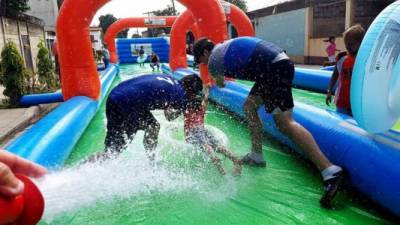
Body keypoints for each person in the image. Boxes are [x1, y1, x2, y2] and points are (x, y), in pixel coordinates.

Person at [194, 37, 343, 208]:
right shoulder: (224, 46)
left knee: (285, 123)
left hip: (274, 69)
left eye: (200, 60)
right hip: (276, 65)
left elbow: (220, 84)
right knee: (249, 107)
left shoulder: (213, 60)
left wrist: (212, 81)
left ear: (206, 52)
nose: (202, 64)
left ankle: (330, 170)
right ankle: (256, 155)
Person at [89, 74, 203, 161]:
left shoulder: (171, 80)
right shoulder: (181, 94)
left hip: (116, 96)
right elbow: (169, 116)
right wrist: (184, 108)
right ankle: (152, 160)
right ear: (192, 91)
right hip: (127, 103)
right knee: (114, 151)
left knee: (112, 149)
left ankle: (83, 167)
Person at [184, 86, 242, 175]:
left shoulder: (187, 111)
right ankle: (235, 159)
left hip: (194, 132)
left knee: (205, 144)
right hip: (204, 130)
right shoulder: (202, 108)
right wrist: (207, 89)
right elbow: (206, 98)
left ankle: (214, 157)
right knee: (217, 145)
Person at [326, 25, 365, 116]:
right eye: (346, 44)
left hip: (358, 103)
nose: (348, 47)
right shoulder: (341, 58)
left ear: (361, 43)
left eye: (351, 44)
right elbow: (335, 75)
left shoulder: (365, 60)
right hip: (341, 102)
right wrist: (329, 91)